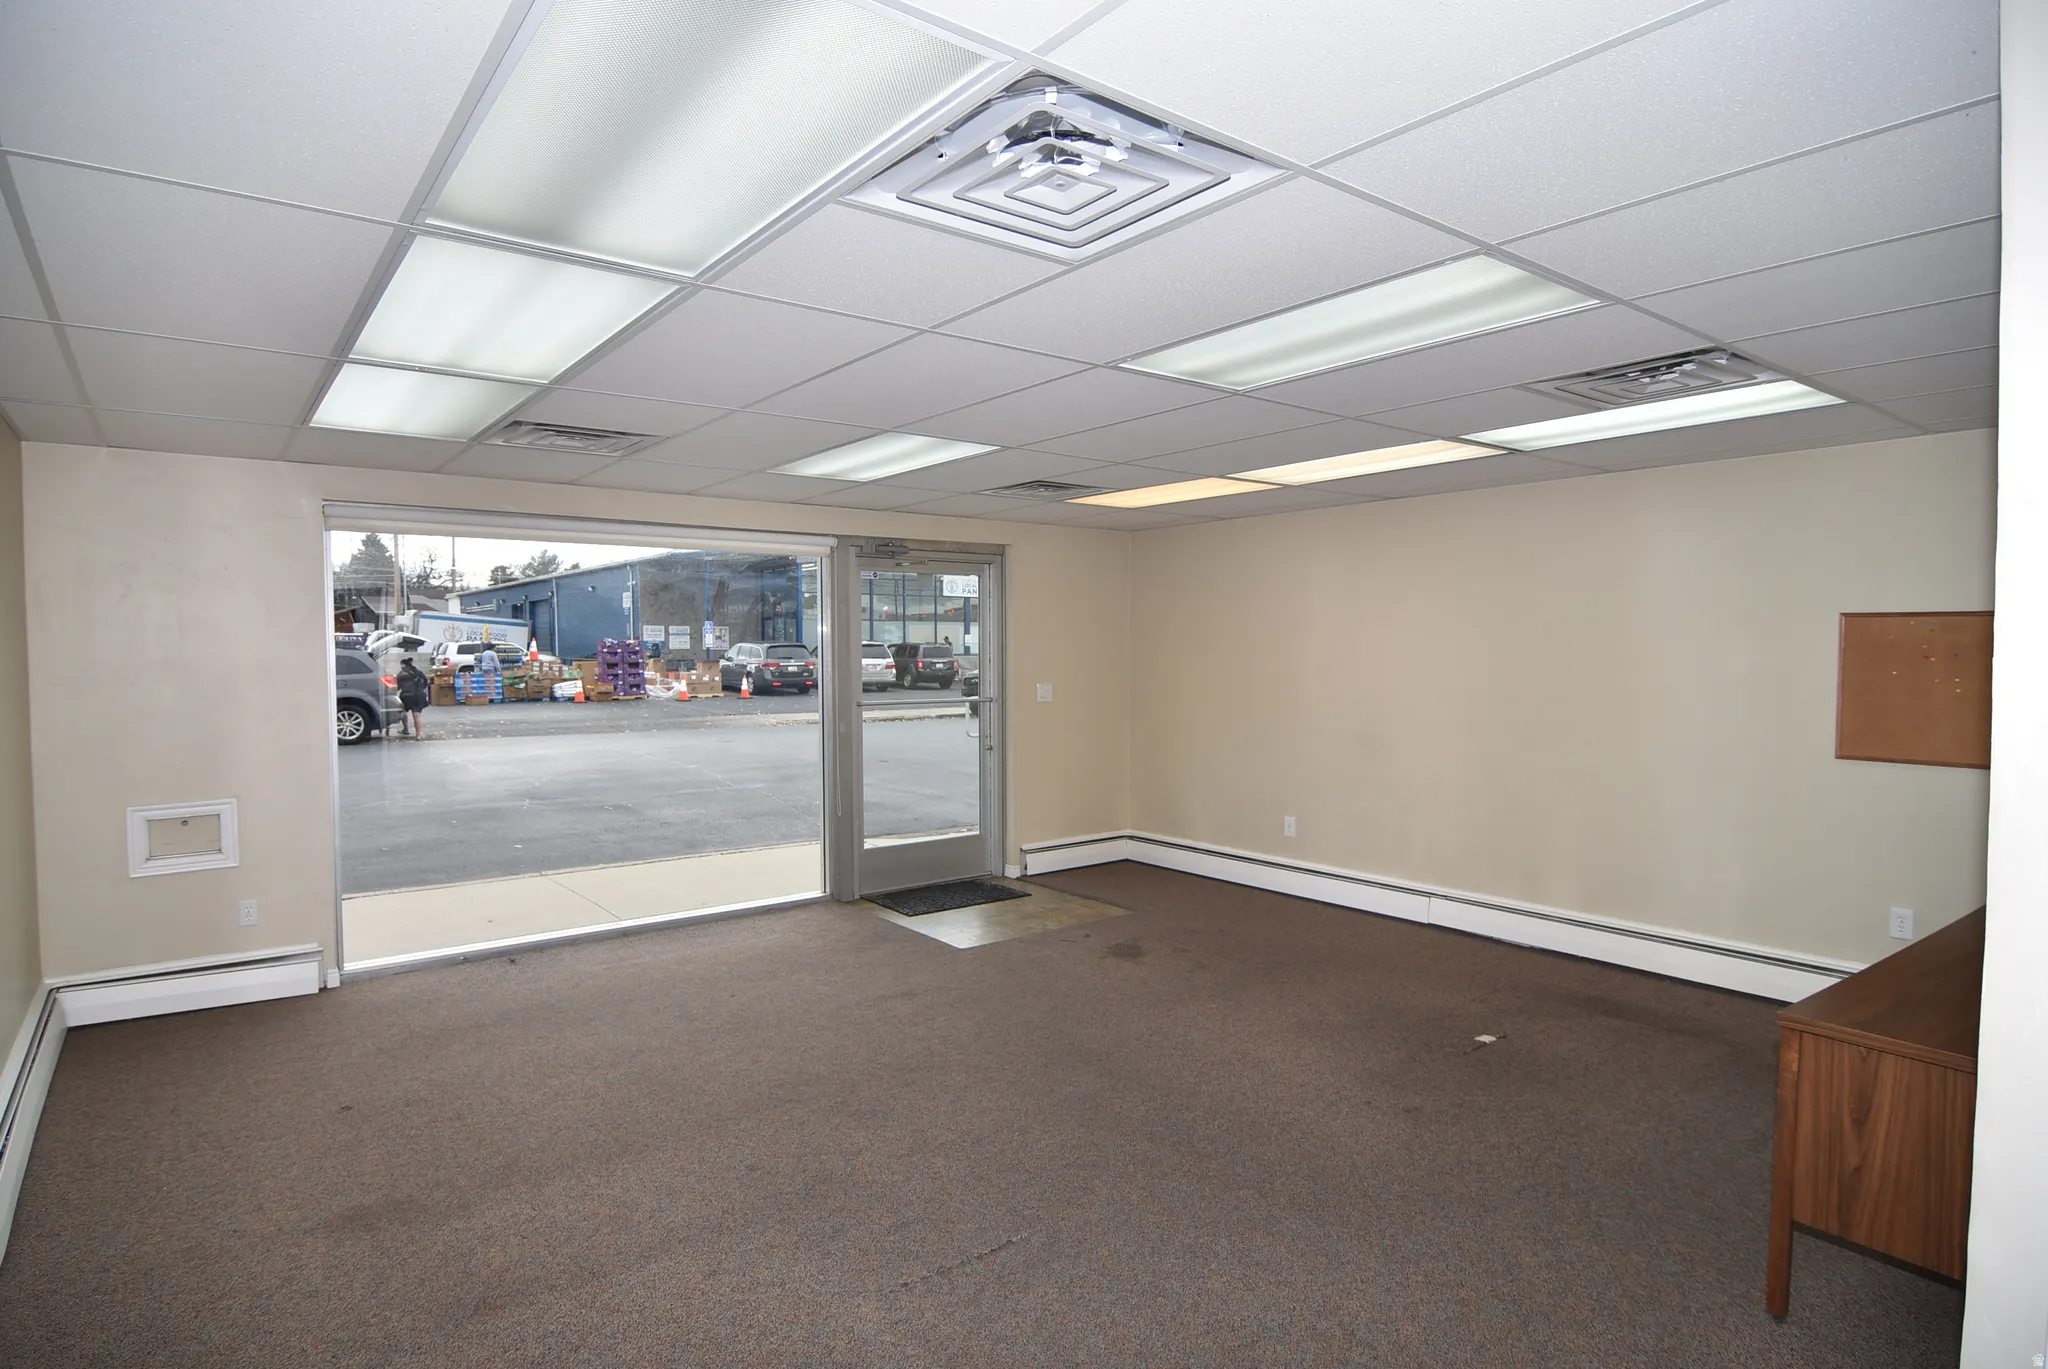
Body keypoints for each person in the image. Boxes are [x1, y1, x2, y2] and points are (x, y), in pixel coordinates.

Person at [396, 656, 431, 741]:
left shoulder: (401, 674)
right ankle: (418, 735)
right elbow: (425, 683)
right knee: (417, 716)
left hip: (406, 696)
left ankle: (406, 729)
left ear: (403, 665)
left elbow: (397, 687)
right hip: (419, 695)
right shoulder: (418, 672)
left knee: (402, 712)